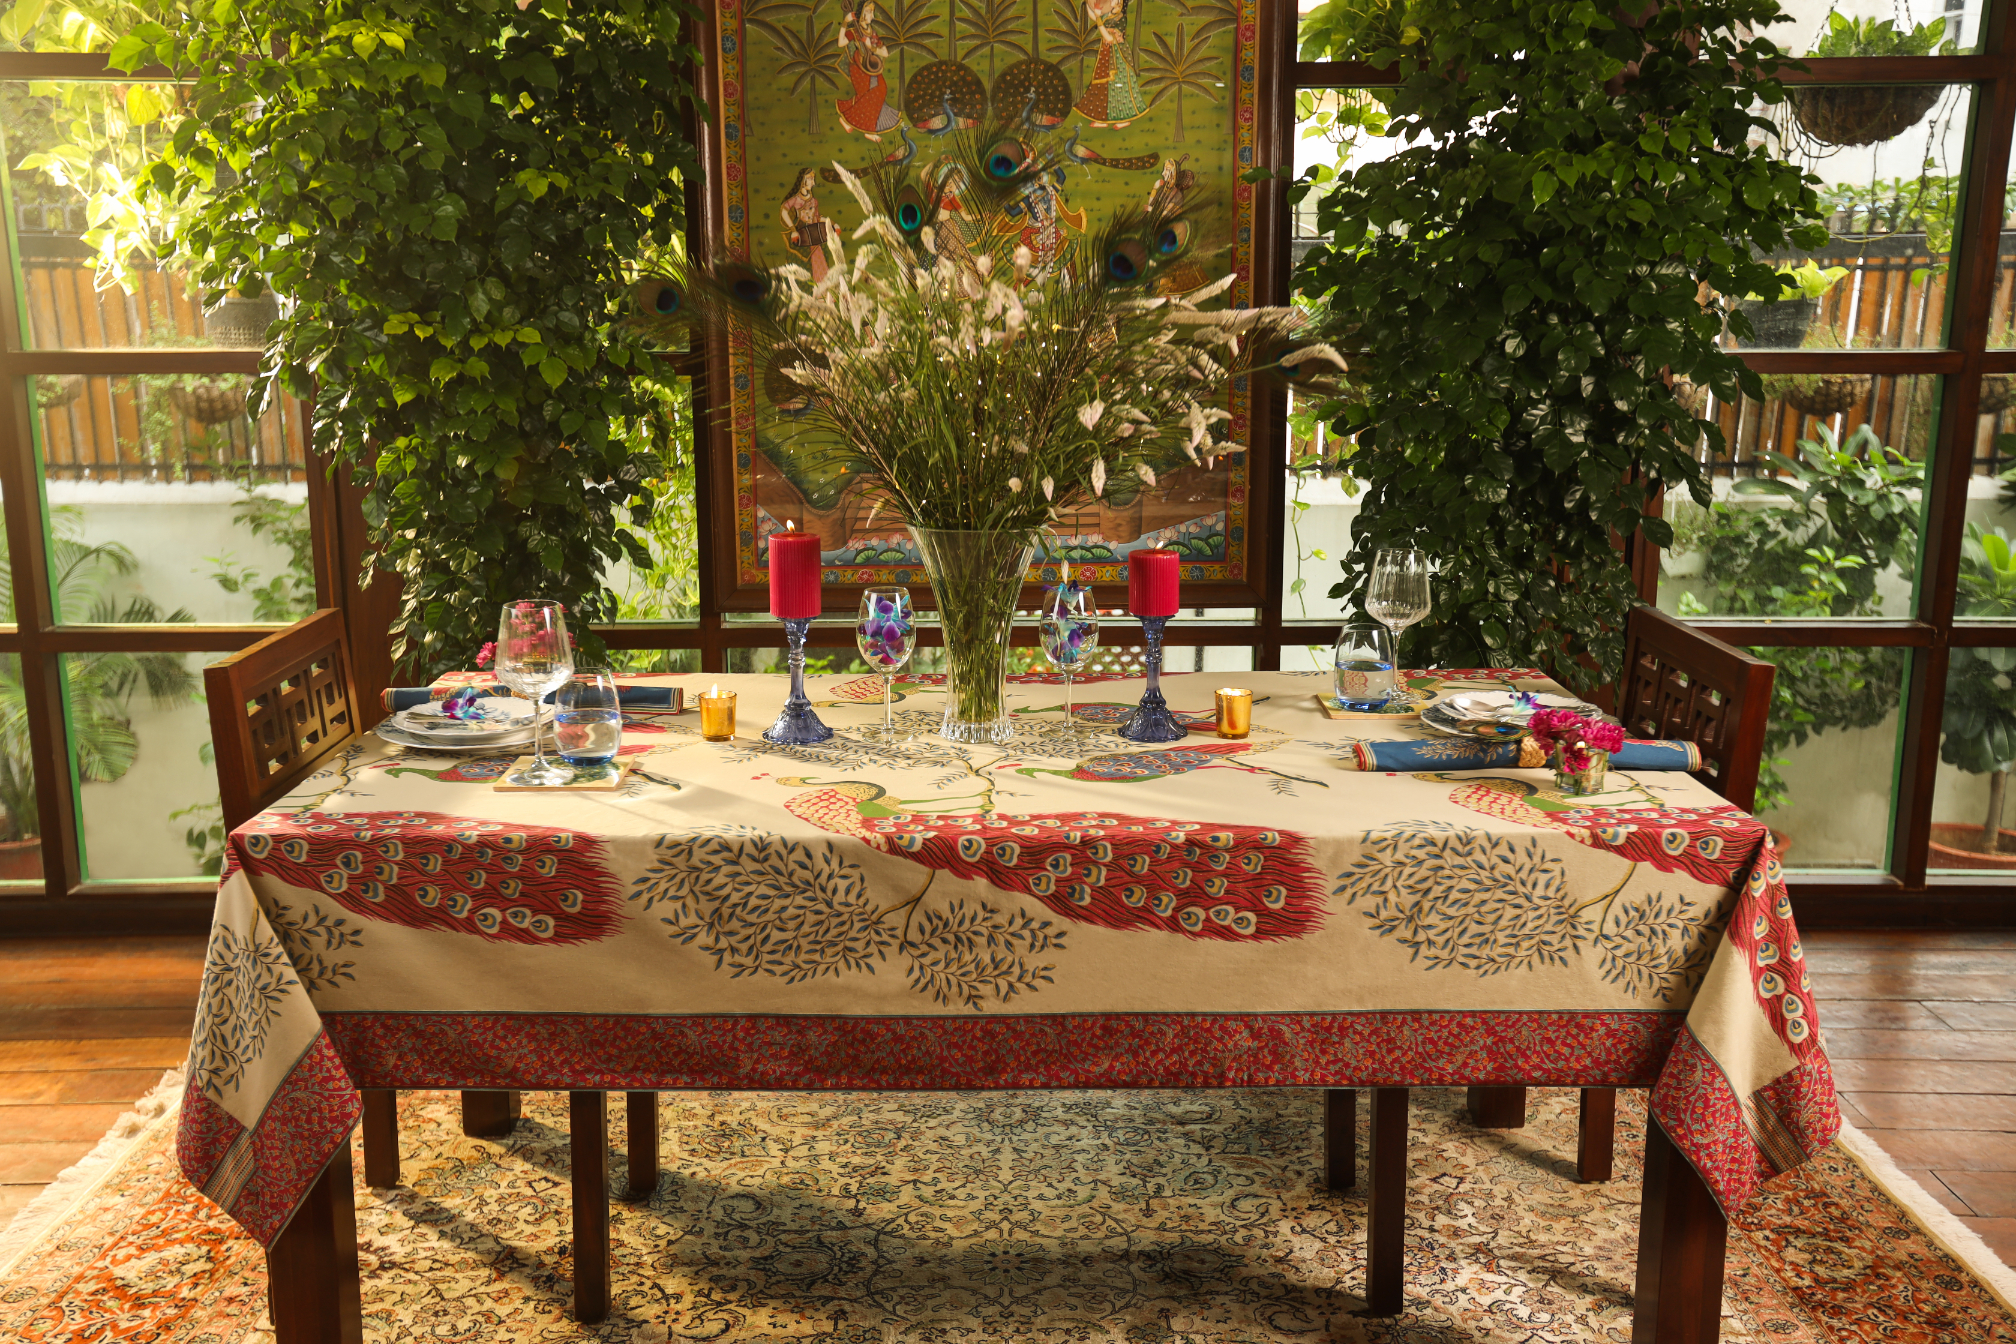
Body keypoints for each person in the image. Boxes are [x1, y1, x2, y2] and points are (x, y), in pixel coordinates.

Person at [1073, 0, 1146, 127]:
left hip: (1118, 56)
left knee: (1118, 87)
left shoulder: (1120, 18)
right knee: (1102, 84)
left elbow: (1108, 38)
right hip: (1107, 53)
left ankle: (1124, 120)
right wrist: (1088, 5)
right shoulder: (1109, 15)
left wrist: (1097, 16)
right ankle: (1101, 119)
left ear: (1120, 3)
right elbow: (1095, 16)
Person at [835, 3, 902, 138]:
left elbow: (885, 52)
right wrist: (845, 22)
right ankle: (867, 130)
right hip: (858, 68)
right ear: (861, 16)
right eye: (869, 12)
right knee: (872, 94)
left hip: (872, 67)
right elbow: (841, 43)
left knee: (879, 90)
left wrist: (872, 48)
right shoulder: (854, 31)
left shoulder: (872, 32)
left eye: (872, 12)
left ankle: (853, 123)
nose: (872, 15)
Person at [780, 168, 836, 283]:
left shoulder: (814, 201)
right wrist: (793, 230)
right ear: (803, 181)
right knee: (804, 265)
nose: (813, 183)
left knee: (820, 261)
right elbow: (784, 212)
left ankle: (823, 294)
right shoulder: (796, 200)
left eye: (813, 179)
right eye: (811, 179)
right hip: (802, 235)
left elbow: (818, 217)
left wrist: (833, 224)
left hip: (815, 234)